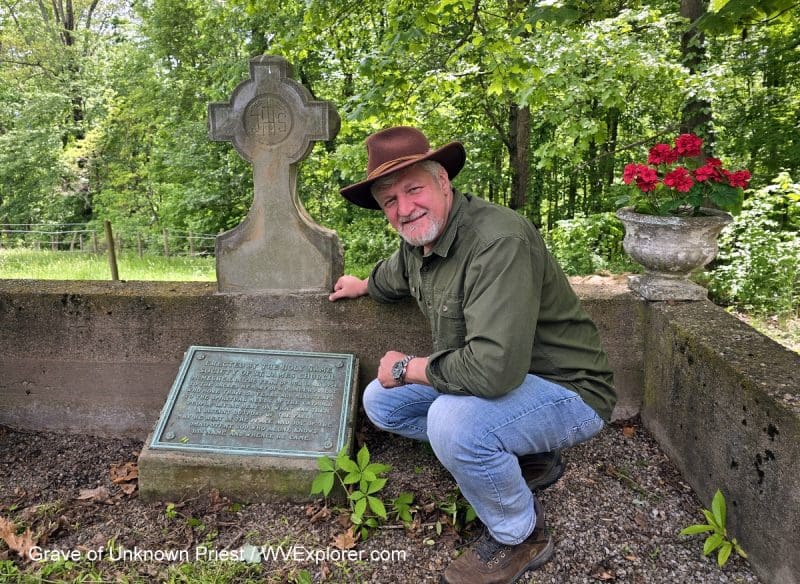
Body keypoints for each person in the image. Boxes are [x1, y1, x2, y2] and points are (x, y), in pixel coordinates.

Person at [328, 126, 616, 584]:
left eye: (413, 189)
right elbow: (396, 274)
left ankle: (519, 536)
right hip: (506, 390)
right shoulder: (422, 239)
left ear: (443, 181)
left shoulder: (496, 241)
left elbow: (493, 370)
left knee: (453, 422)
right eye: (389, 201)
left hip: (568, 392)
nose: (404, 209)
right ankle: (521, 457)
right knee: (380, 402)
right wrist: (362, 284)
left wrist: (407, 368)